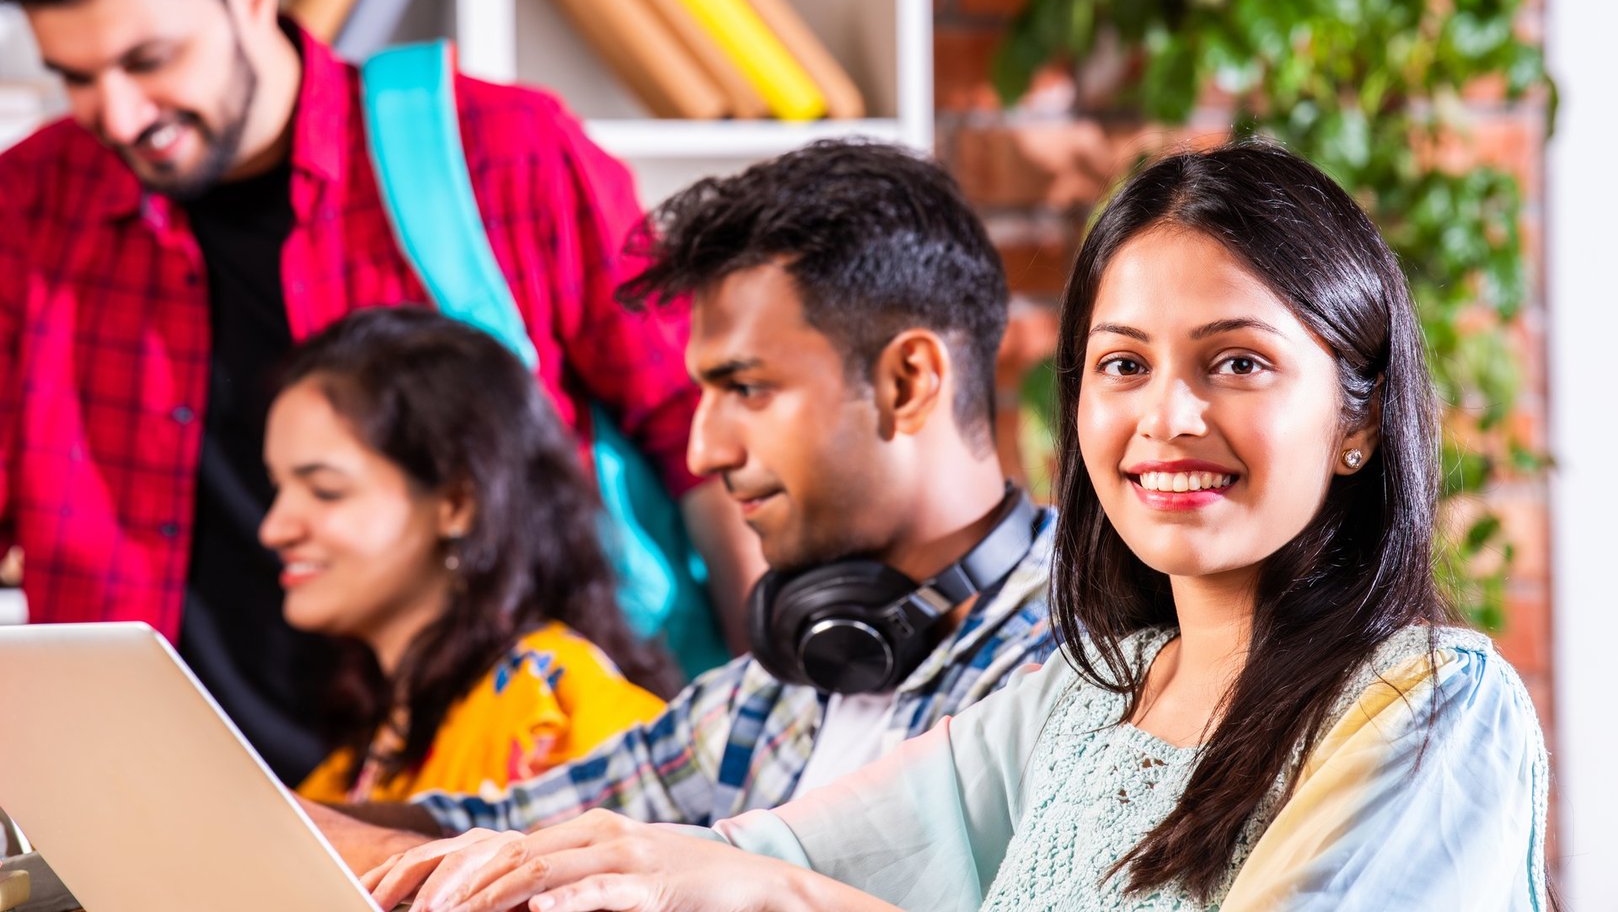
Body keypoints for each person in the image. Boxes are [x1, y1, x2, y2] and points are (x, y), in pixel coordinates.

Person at [363, 141, 1550, 912]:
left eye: (1235, 361)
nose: (1165, 418)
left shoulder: (1431, 706)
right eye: (1121, 365)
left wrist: (771, 899)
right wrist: (598, 869)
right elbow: (774, 859)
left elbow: (790, 897)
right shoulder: (1093, 695)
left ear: (1359, 419)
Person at [0, 0, 758, 785]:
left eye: (149, 59)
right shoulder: (29, 208)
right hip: (152, 801)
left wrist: (755, 751)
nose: (116, 114)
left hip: (489, 790)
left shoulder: (503, 156)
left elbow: (709, 439)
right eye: (75, 76)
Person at [308, 138, 1059, 870]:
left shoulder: (1098, 676)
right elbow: (507, 827)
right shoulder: (785, 682)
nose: (705, 451)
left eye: (747, 389)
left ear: (906, 381)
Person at [262, 306, 677, 804]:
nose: (274, 529)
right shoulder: (371, 745)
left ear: (457, 503)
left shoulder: (557, 710)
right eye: (277, 488)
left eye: (325, 491)